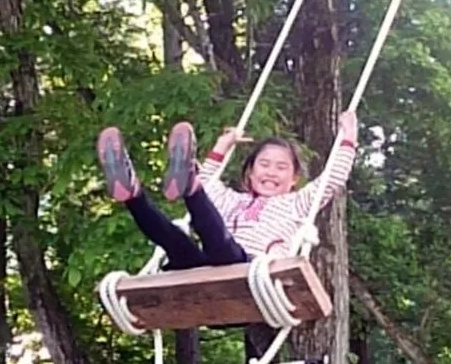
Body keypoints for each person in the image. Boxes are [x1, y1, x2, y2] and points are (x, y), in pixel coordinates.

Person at [96, 110, 358, 270]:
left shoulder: (297, 203)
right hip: (206, 265)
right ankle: (133, 196)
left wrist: (349, 139)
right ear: (250, 173)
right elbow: (209, 180)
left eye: (281, 168)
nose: (271, 172)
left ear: (293, 179)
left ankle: (191, 189)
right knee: (175, 240)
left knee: (220, 239)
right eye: (264, 165)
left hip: (250, 268)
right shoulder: (233, 200)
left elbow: (332, 178)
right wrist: (222, 145)